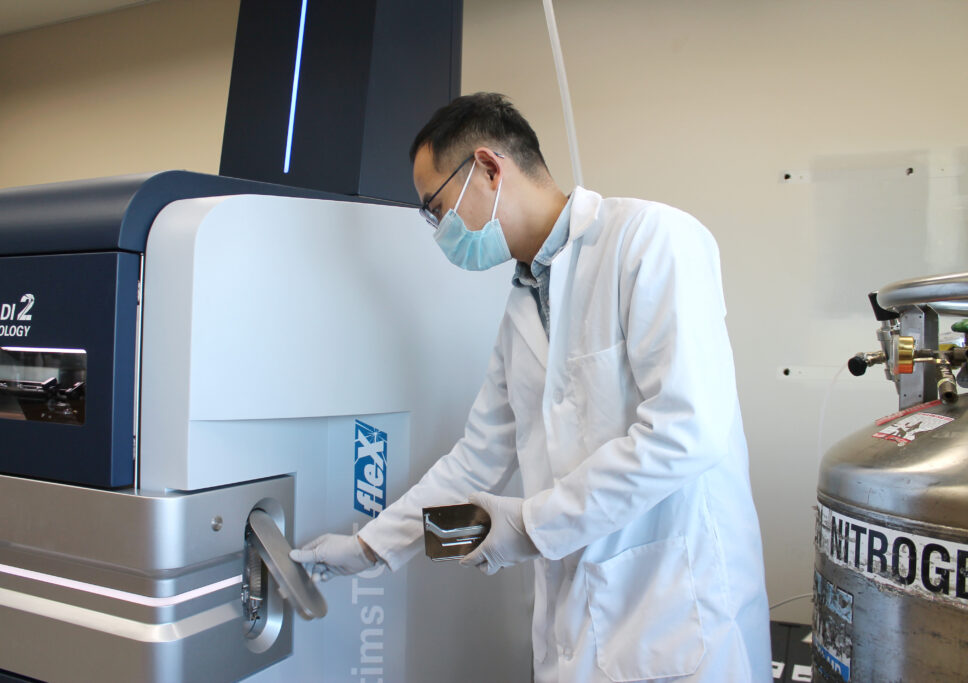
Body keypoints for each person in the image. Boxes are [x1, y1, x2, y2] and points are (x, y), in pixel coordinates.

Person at [291, 92, 771, 682]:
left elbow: (689, 430)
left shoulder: (651, 240)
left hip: (674, 608)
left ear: (490, 168)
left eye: (434, 207)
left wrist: (531, 523)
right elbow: (475, 462)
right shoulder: (524, 303)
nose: (437, 229)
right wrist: (369, 548)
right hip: (580, 621)